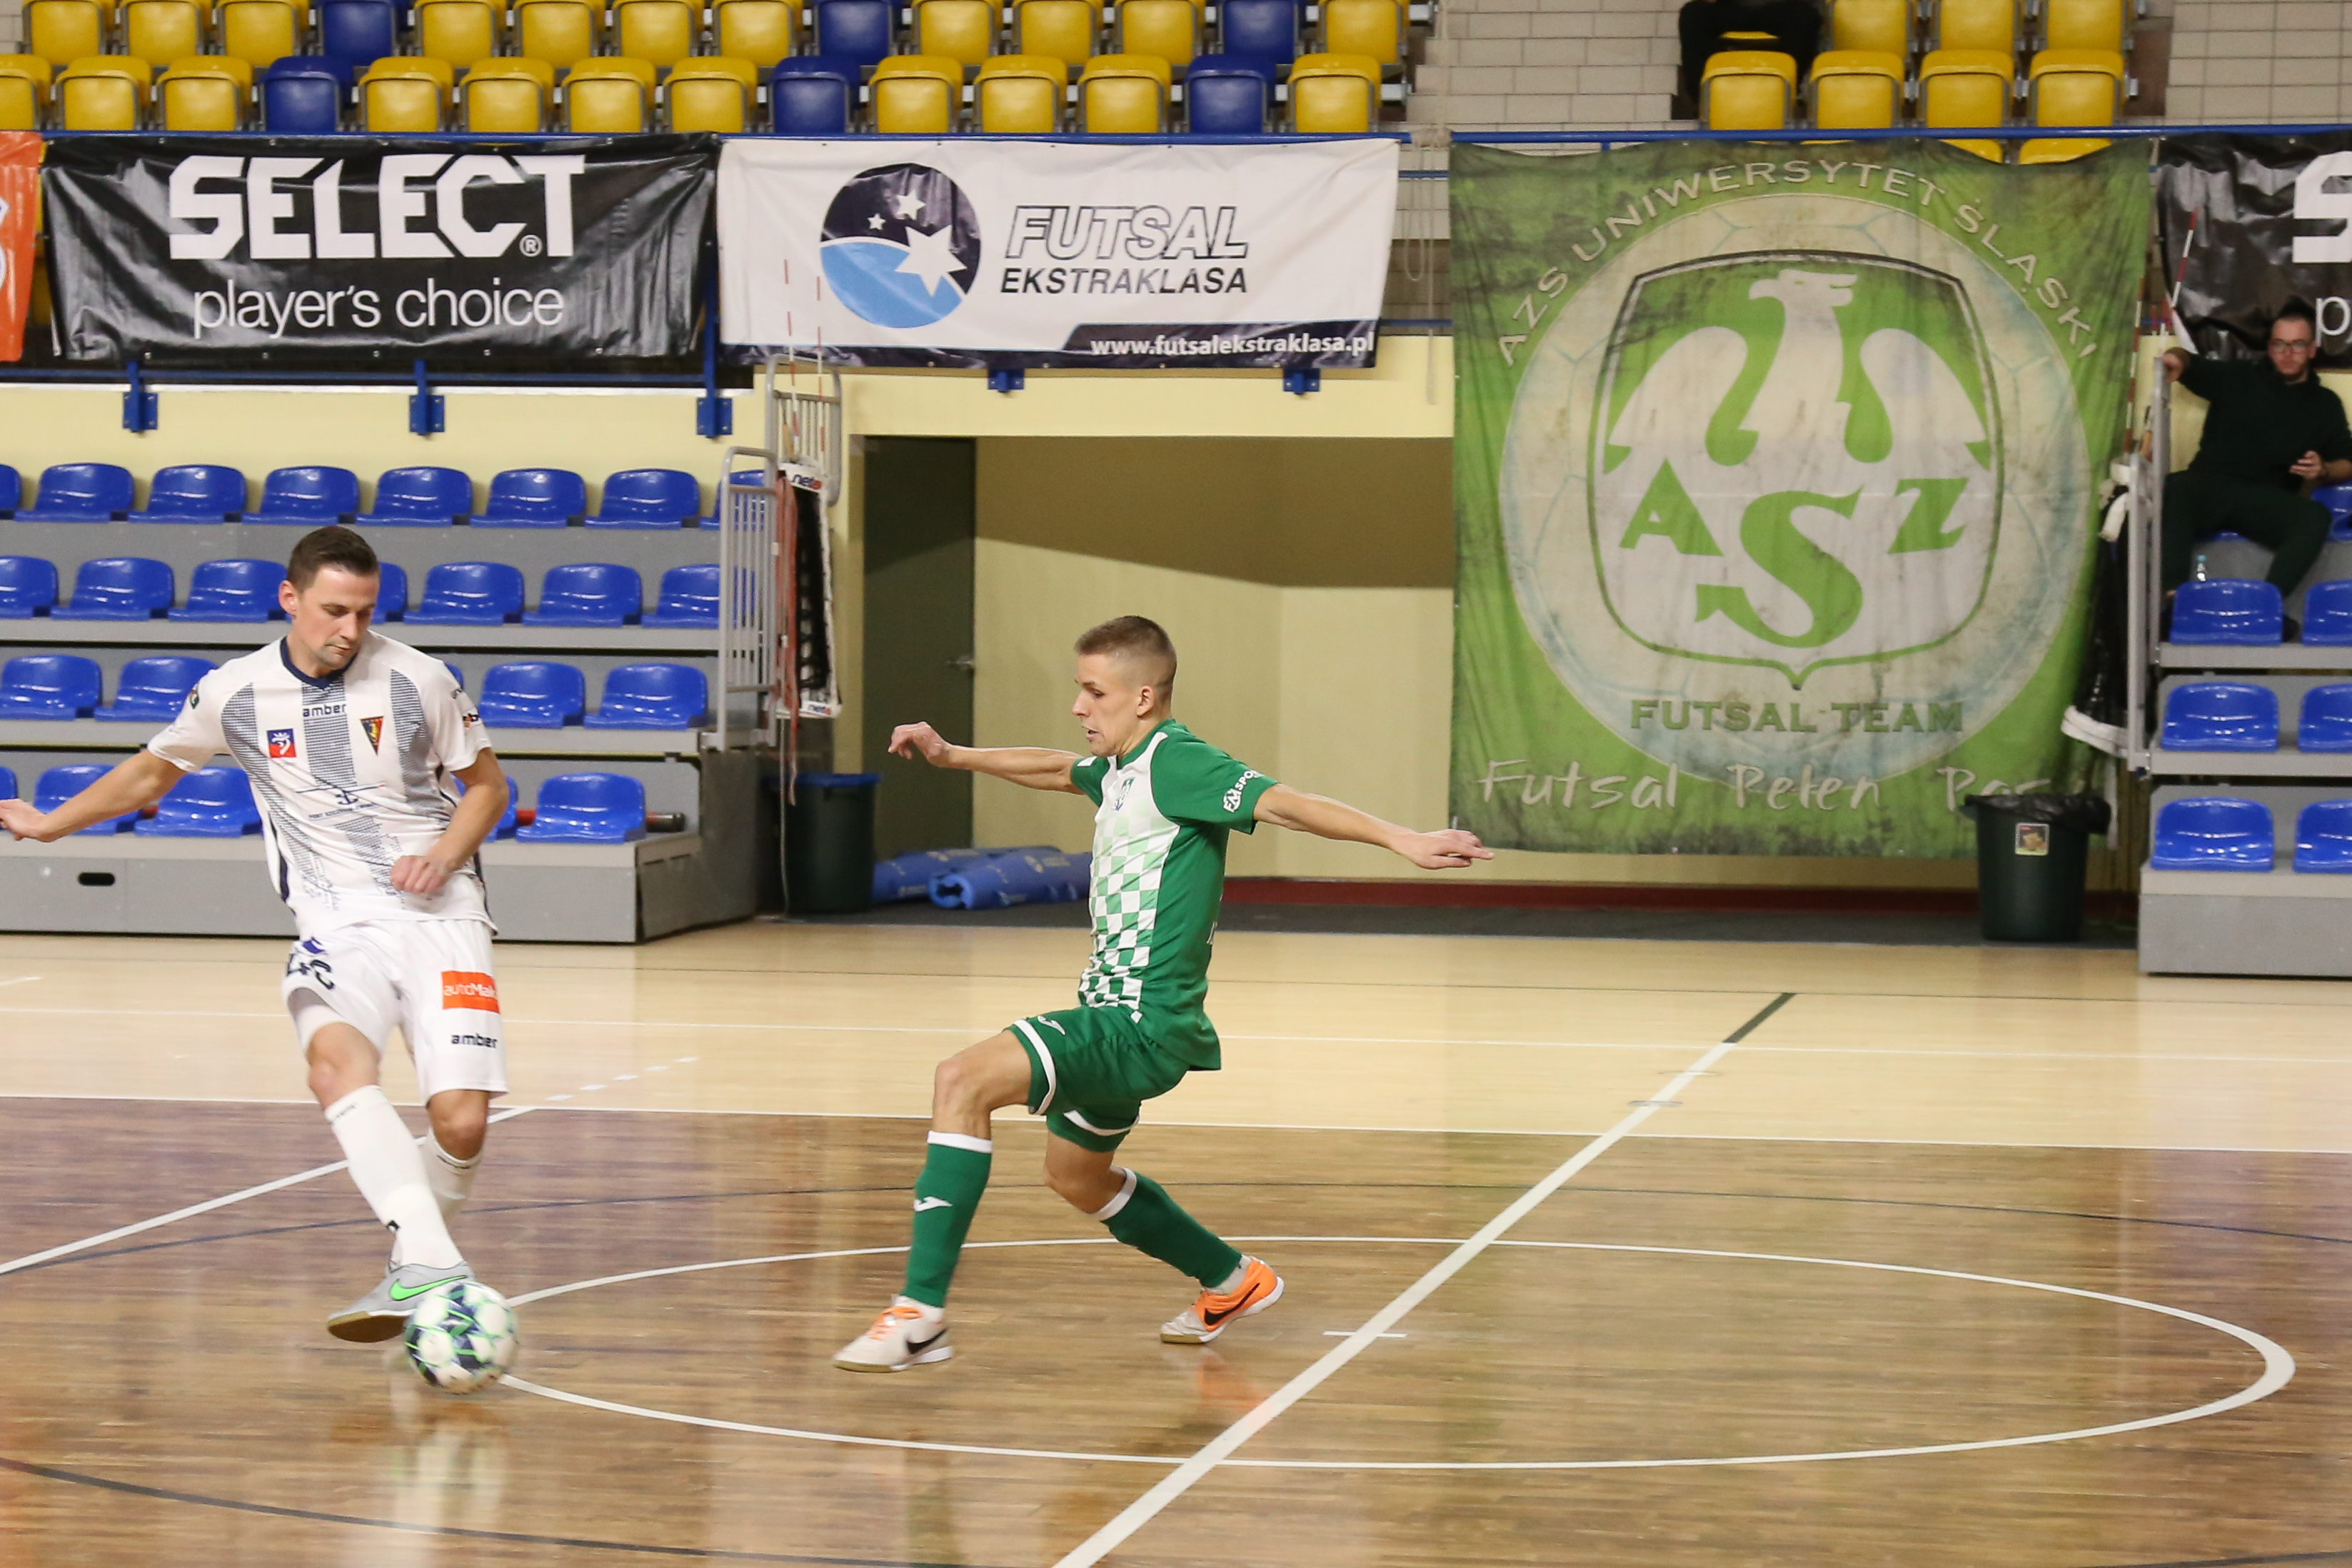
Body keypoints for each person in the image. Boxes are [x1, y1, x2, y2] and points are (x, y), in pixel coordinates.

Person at [834, 615, 1492, 1373]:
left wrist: (1403, 838)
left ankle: (920, 1315)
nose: (1079, 706)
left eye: (1094, 692)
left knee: (961, 1079)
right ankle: (1232, 1279)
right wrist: (954, 756)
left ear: (1143, 696)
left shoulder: (1180, 763)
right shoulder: (1121, 768)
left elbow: (1285, 802)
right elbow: (1056, 768)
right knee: (1076, 1177)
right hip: (1117, 1018)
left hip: (1138, 1024)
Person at [0, 526, 513, 1342]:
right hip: (335, 919)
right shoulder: (233, 692)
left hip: (442, 915)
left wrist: (445, 855)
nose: (350, 629)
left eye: (364, 612)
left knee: (461, 1123)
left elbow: (488, 788)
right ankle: (429, 1261)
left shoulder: (420, 678)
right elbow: (153, 770)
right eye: (334, 610)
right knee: (334, 1066)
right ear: (290, 598)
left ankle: (414, 1261)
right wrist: (50, 823)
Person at [2161, 301, 2352, 616]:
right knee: (2177, 488)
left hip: (2266, 500)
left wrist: (2325, 469)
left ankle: (2267, 607)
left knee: (2315, 517)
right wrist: (2175, 359)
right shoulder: (2239, 376)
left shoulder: (2325, 404)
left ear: (2312, 349)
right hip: (2209, 486)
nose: (2287, 353)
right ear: (2269, 347)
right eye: (2279, 344)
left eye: (2297, 345)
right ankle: (2173, 601)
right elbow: (2186, 360)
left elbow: (2347, 461)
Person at [1678, 0, 1821, 106]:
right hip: (1730, 8)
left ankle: (1787, 92)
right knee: (1692, 13)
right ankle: (1703, 98)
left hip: (1781, 8)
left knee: (1806, 16)